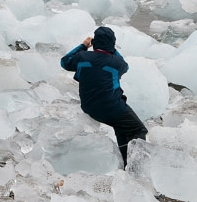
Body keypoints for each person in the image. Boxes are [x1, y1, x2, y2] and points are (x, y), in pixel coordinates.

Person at [60, 26, 147, 167]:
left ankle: (125, 162)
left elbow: (65, 61)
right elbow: (125, 65)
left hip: (89, 106)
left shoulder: (82, 57)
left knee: (121, 129)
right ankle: (138, 167)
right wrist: (111, 49)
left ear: (95, 42)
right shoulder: (116, 62)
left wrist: (83, 46)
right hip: (112, 108)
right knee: (138, 130)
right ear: (112, 43)